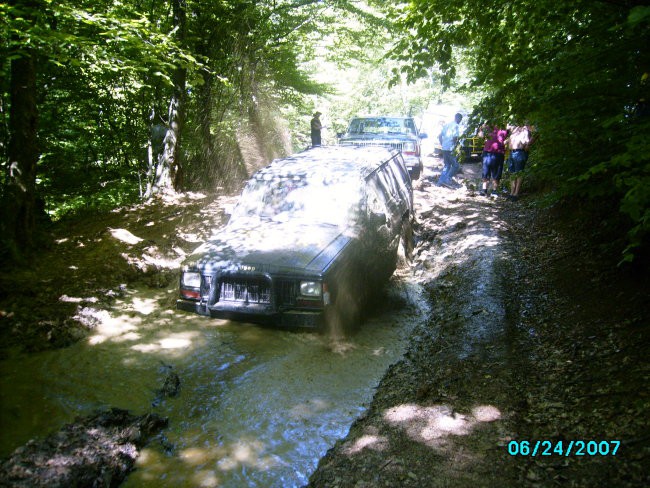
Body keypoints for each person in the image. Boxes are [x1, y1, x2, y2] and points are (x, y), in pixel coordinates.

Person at [506, 124, 535, 201]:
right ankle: (512, 193)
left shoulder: (526, 127)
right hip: (512, 152)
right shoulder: (515, 128)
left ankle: (516, 193)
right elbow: (506, 127)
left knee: (519, 173)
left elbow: (536, 133)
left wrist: (528, 144)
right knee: (512, 173)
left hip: (520, 152)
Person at [480, 125, 508, 197]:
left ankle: (494, 191)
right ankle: (484, 190)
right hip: (487, 152)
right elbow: (480, 136)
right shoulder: (489, 126)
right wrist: (481, 129)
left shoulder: (505, 127)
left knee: (497, 173)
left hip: (499, 153)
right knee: (485, 172)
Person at [437, 113, 463, 187]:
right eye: (460, 120)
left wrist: (442, 144)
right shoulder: (456, 126)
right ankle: (447, 179)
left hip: (445, 147)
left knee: (447, 165)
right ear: (458, 118)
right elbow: (455, 138)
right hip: (451, 148)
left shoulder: (447, 125)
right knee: (456, 165)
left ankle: (440, 181)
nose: (460, 121)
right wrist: (456, 148)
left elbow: (439, 136)